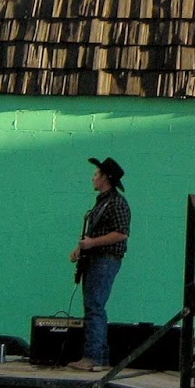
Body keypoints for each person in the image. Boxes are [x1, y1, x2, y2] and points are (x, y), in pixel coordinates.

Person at [70, 156, 131, 371]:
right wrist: (81, 248)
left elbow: (121, 234)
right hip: (96, 259)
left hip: (105, 260)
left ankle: (93, 357)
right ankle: (100, 358)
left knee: (95, 306)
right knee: (94, 306)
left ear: (106, 178)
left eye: (96, 174)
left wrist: (92, 243)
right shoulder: (103, 203)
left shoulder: (116, 203)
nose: (93, 178)